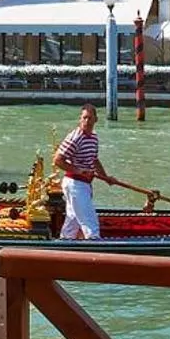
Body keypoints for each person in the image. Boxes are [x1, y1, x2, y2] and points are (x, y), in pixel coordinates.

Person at [53, 102, 122, 240]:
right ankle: (95, 246)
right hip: (75, 183)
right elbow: (58, 160)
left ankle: (65, 243)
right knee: (90, 223)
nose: (86, 121)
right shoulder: (75, 137)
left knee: (72, 221)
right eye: (84, 118)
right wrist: (79, 171)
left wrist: (106, 177)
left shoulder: (94, 138)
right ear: (80, 119)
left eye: (89, 118)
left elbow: (94, 160)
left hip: (83, 184)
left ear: (95, 119)